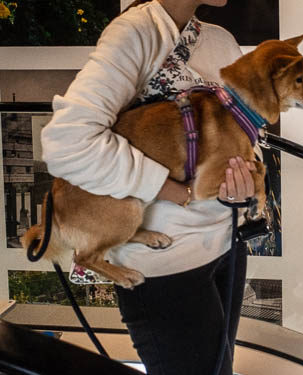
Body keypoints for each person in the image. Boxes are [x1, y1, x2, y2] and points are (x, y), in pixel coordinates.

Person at [40, 0, 255, 374]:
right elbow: (68, 144)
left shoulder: (222, 42)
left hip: (225, 248)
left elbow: (235, 137)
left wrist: (242, 185)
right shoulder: (136, 33)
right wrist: (174, 191)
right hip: (167, 271)